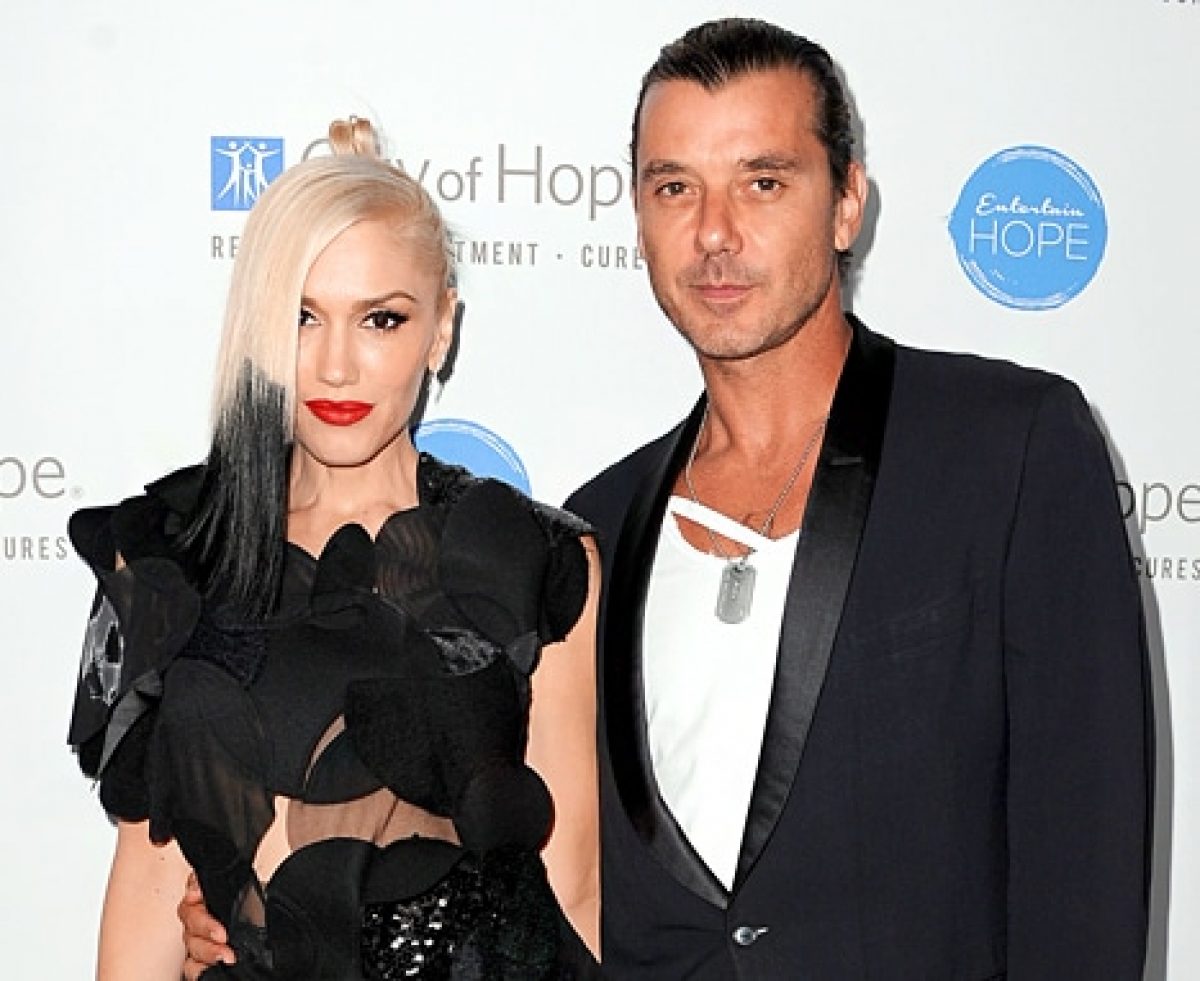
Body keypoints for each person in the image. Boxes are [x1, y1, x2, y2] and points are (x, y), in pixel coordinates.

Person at [184, 18, 1153, 980]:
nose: (716, 233)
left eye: (763, 182)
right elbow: (514, 876)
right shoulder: (588, 535)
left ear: (847, 203)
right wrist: (266, 911)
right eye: (675, 187)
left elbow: (1088, 860)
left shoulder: (1007, 448)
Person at [68, 116, 600, 979]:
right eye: (302, 316)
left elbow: (571, 885)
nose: (336, 366)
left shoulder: (531, 558)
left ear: (441, 327)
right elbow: (148, 884)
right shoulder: (172, 550)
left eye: (381, 319)